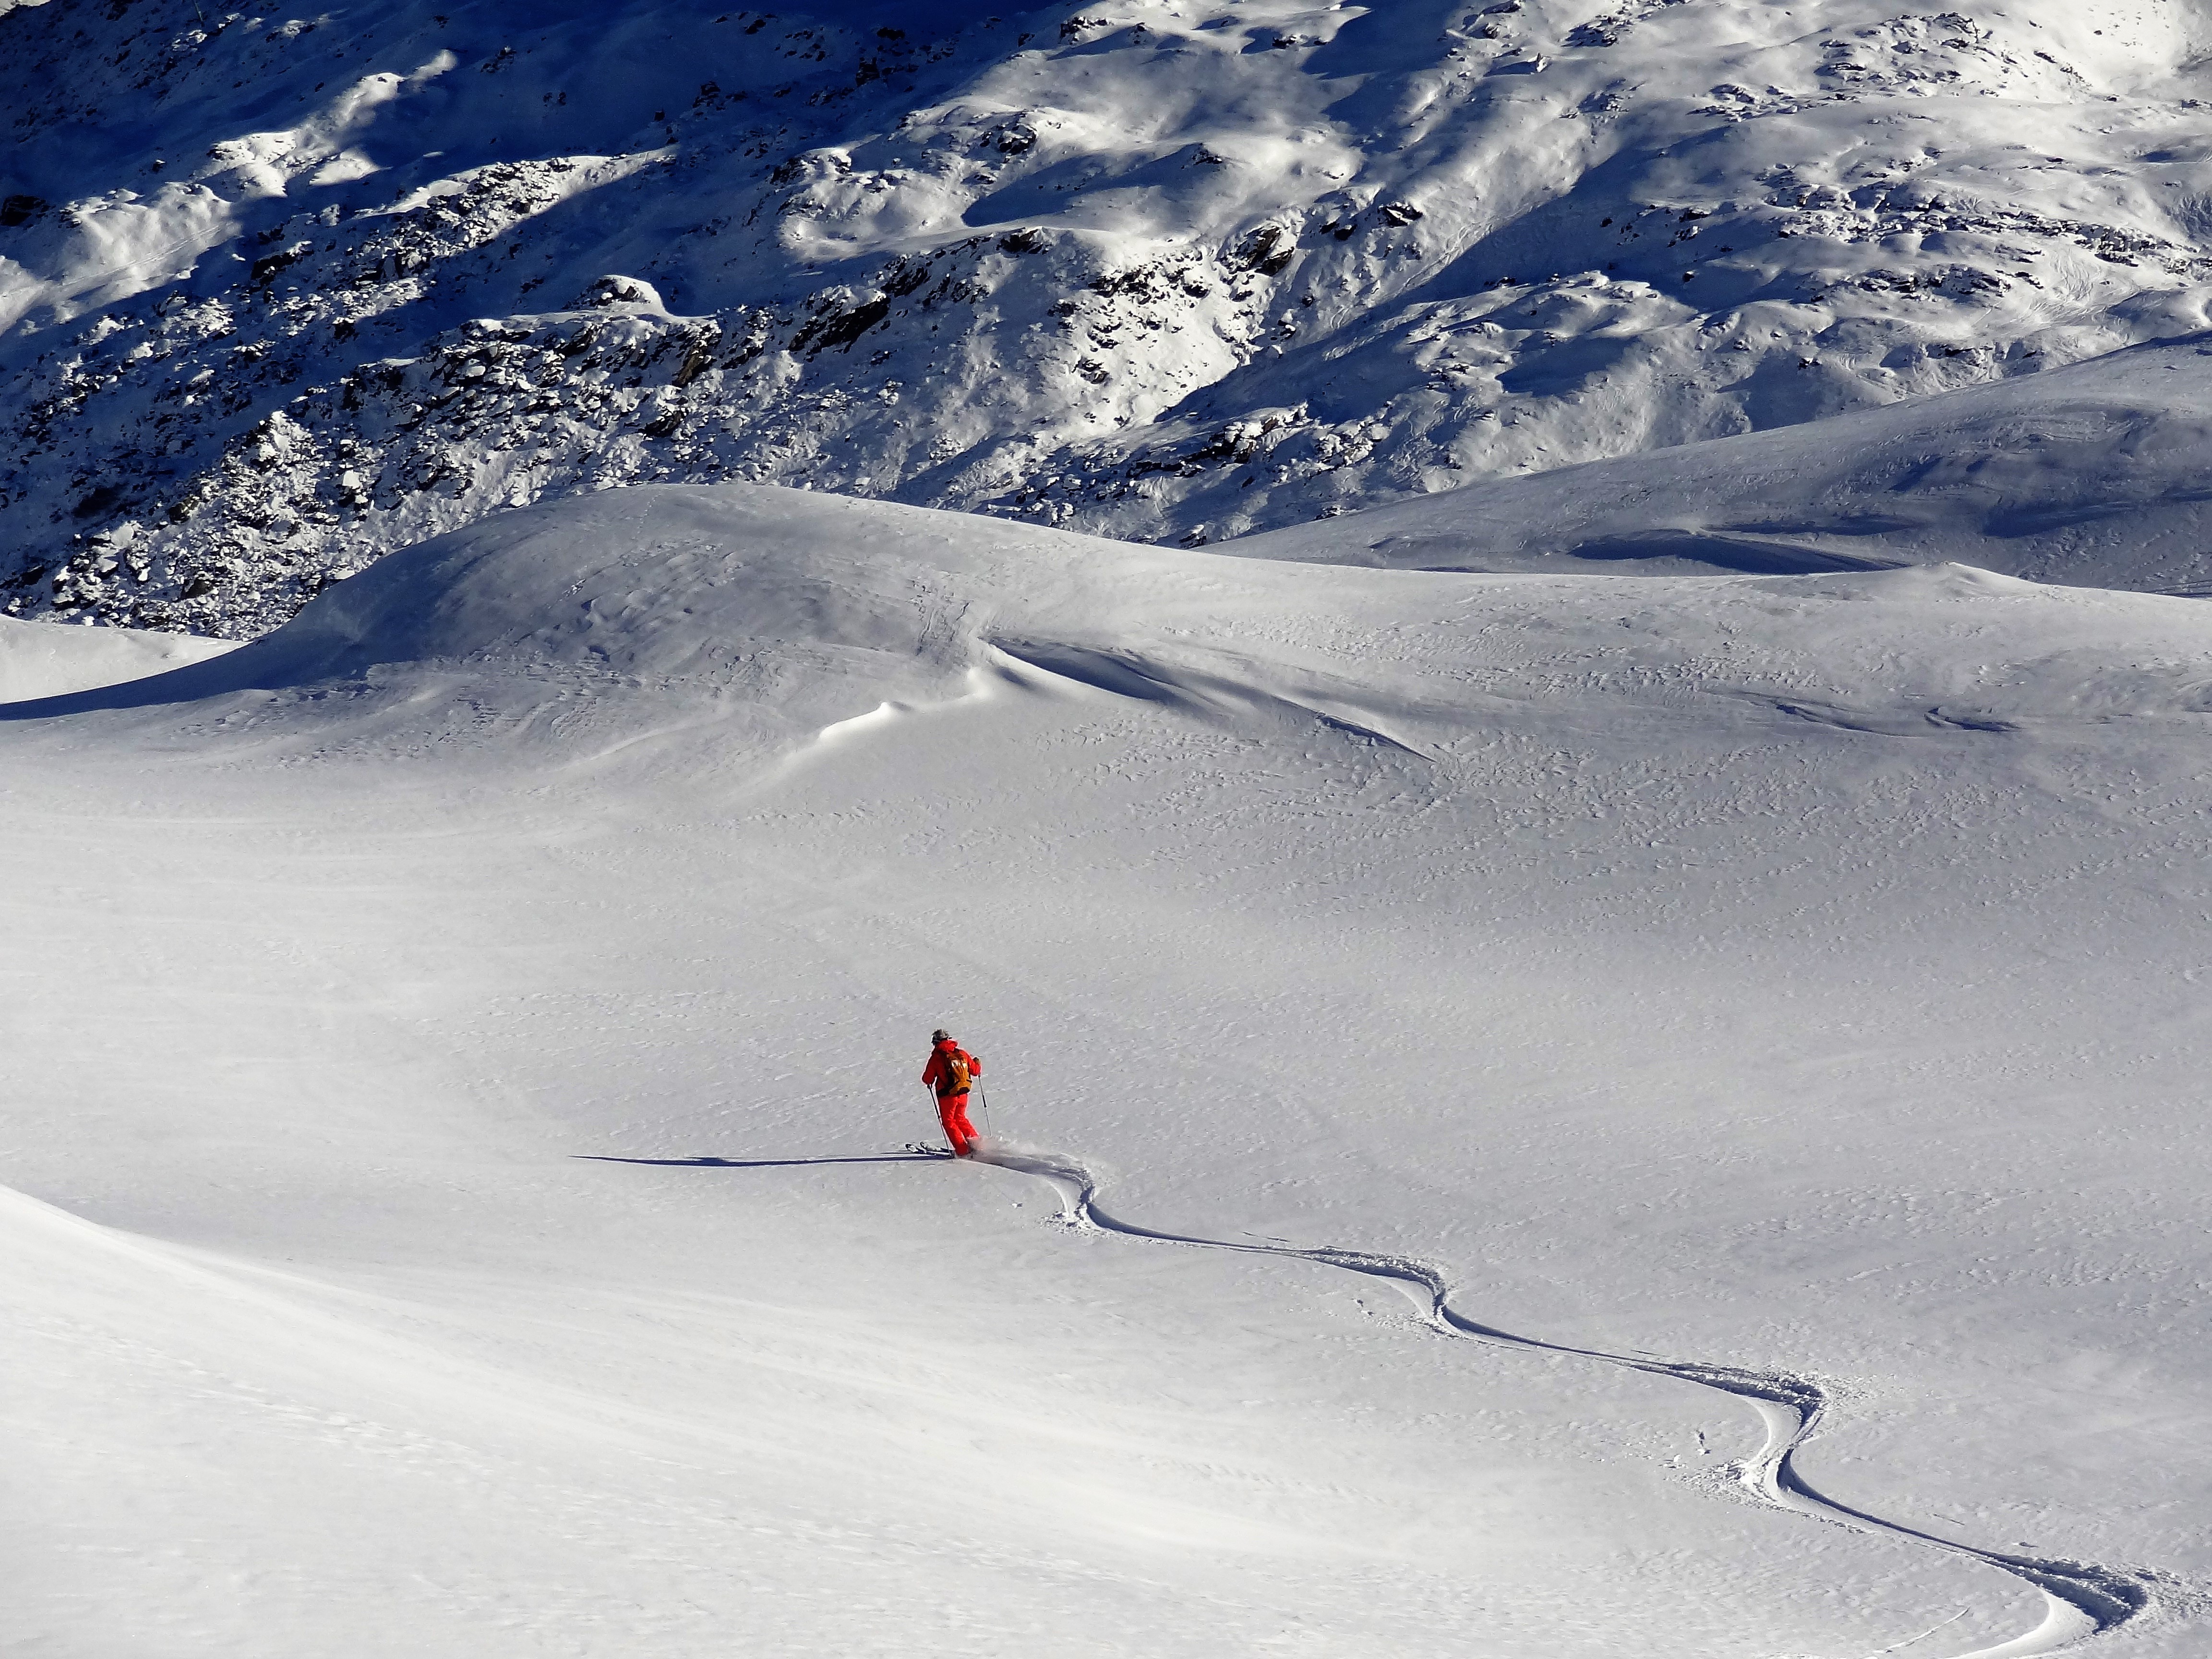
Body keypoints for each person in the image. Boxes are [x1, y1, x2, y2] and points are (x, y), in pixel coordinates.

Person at [922, 1028, 984, 1157]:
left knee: (949, 1122)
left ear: (935, 1042)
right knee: (961, 1118)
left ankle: (963, 1151)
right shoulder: (962, 1054)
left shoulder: (937, 1058)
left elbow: (927, 1079)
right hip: (963, 1093)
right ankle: (978, 1145)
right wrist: (977, 1063)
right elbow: (975, 1071)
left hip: (948, 1096)